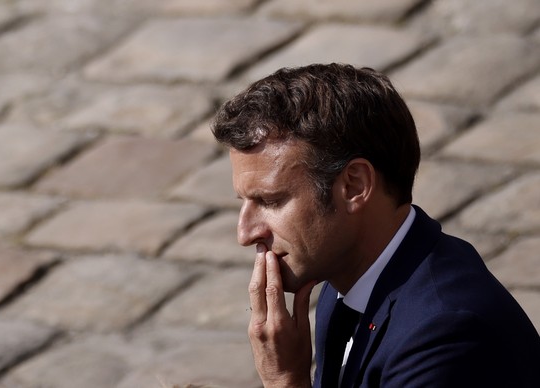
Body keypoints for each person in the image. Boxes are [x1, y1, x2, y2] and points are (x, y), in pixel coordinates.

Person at [211, 63, 540, 387]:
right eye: (244, 202)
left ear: (354, 186)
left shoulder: (444, 336)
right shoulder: (342, 276)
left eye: (270, 201)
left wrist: (285, 380)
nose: (246, 233)